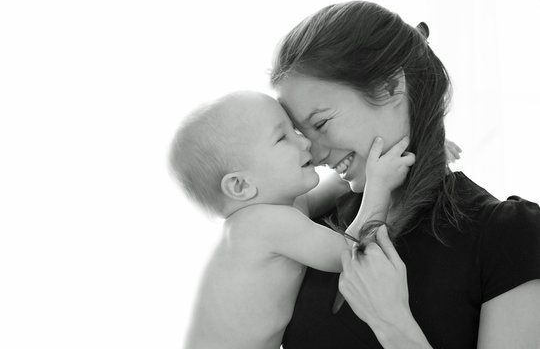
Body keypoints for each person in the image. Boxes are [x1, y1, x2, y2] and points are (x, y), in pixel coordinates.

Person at [271, 0, 540, 349]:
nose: (315, 154)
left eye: (321, 123)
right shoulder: (311, 230)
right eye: (301, 134)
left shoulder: (510, 237)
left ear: (391, 88)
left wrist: (392, 323)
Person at [169, 90, 415, 349]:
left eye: (294, 130)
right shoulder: (263, 224)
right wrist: (380, 184)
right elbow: (350, 252)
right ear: (241, 185)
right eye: (282, 138)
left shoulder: (280, 209)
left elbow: (340, 187)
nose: (305, 142)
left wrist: (396, 150)